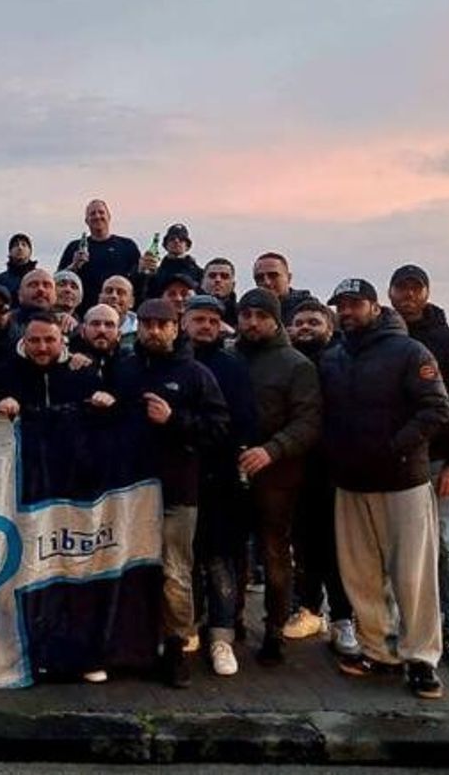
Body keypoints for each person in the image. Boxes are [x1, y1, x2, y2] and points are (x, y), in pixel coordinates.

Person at [320, 278, 449, 699]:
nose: (348, 311)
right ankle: (379, 650)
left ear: (375, 307)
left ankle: (421, 659)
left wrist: (395, 447)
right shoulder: (335, 355)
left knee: (413, 575)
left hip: (402, 481)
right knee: (361, 575)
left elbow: (437, 407)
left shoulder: (409, 351)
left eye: (356, 304)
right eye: (342, 305)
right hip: (351, 482)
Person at [111, 298, 230, 689]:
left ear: (176, 327)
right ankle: (134, 647)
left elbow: (218, 428)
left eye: (162, 324)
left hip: (177, 490)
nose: (154, 331)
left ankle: (177, 645)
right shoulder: (123, 369)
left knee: (174, 572)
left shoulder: (195, 374)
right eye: (146, 324)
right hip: (128, 490)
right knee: (128, 571)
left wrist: (174, 420)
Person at [388, 265, 449, 669]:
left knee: (447, 548)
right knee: (396, 551)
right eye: (401, 288)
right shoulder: (381, 339)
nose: (408, 296)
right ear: (391, 292)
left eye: (416, 289)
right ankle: (402, 629)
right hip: (392, 464)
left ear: (426, 293)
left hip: (440, 462)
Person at [231, 287, 321, 667]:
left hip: (278, 474)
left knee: (274, 553)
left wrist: (272, 449)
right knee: (232, 551)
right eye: (246, 315)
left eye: (261, 316)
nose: (252, 322)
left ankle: (274, 630)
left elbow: (309, 420)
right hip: (232, 470)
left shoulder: (296, 364)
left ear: (275, 319)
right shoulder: (229, 356)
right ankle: (229, 620)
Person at [183, 296, 256, 678]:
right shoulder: (173, 362)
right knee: (183, 558)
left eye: (213, 320)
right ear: (184, 322)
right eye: (199, 319)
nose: (206, 326)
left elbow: (242, 422)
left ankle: (222, 636)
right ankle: (189, 625)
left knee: (220, 560)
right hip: (179, 475)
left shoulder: (232, 365)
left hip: (221, 477)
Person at [285, 298, 357, 657]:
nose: (306, 328)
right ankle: (310, 609)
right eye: (299, 322)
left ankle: (345, 617)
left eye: (314, 321)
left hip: (336, 467)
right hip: (296, 466)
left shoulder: (341, 361)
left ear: (329, 327)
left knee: (338, 547)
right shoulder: (288, 362)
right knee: (305, 544)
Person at [0, 313, 111, 417]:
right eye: (34, 340)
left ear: (62, 342)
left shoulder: (83, 372)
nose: (42, 348)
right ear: (24, 342)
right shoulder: (4, 373)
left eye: (49, 340)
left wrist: (105, 401)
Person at [58, 199, 142, 316]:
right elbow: (59, 280)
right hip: (83, 314)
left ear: (109, 216)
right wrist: (74, 265)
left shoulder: (127, 245)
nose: (97, 216)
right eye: (92, 214)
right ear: (86, 221)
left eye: (101, 212)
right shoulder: (75, 247)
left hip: (120, 313)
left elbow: (139, 280)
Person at [251, 253, 316, 325]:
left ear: (289, 278)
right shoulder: (249, 312)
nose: (267, 282)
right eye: (259, 278)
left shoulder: (310, 309)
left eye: (273, 276)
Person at [154, 224, 203, 290]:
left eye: (181, 239)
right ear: (165, 245)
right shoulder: (156, 273)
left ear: (187, 246)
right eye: (172, 239)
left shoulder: (199, 273)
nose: (176, 241)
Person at [201, 257, 240, 327]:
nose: (218, 280)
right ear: (202, 283)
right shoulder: (188, 312)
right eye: (212, 276)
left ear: (233, 285)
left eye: (224, 276)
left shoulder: (242, 314)